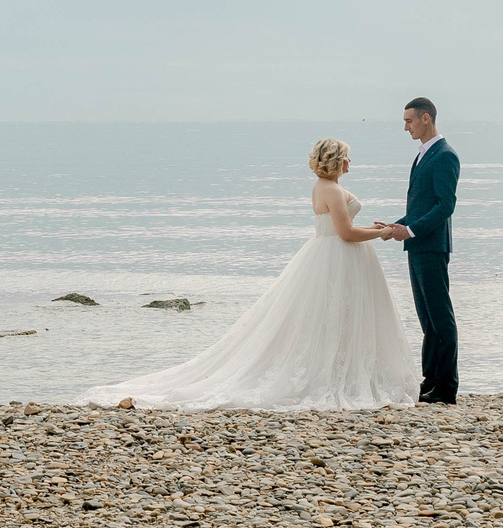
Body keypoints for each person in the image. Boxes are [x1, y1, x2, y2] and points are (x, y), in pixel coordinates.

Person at [82, 137, 415, 410]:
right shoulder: (330, 188)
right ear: (335, 160)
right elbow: (343, 234)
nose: (349, 163)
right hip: (338, 257)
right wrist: (381, 234)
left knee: (331, 317)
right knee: (331, 316)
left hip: (333, 256)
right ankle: (336, 375)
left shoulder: (322, 186)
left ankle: (343, 368)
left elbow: (339, 226)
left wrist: (370, 227)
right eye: (346, 158)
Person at [370, 97, 459, 404]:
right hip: (418, 245)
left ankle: (446, 386)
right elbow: (421, 206)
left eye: (408, 120)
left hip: (432, 247)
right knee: (427, 319)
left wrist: (409, 230)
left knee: (440, 317)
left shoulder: (445, 155)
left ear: (425, 118)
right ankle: (430, 380)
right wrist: (397, 225)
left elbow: (444, 206)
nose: (405, 126)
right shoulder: (423, 154)